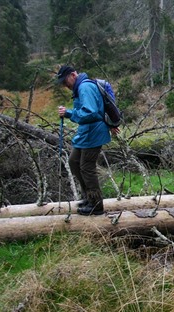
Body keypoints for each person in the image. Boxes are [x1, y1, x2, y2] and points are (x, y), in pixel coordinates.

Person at [56, 65, 117, 215]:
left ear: (72, 75)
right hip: (86, 133)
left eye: (65, 82)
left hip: (93, 133)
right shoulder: (81, 88)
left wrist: (69, 114)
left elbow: (90, 112)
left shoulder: (84, 87)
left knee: (86, 167)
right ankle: (88, 197)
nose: (65, 86)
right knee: (73, 161)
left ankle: (96, 205)